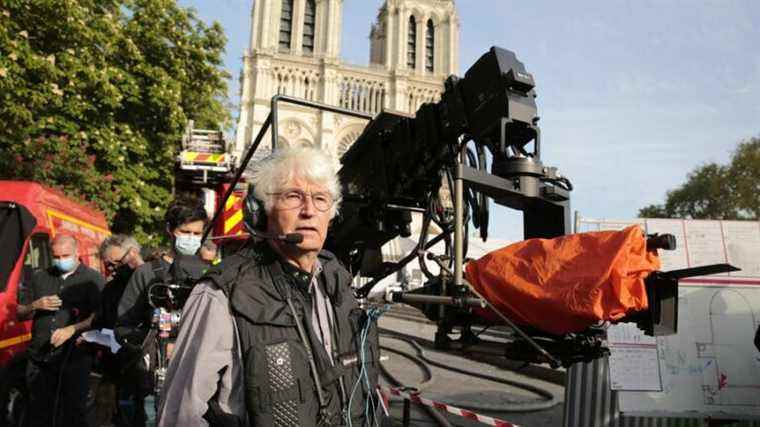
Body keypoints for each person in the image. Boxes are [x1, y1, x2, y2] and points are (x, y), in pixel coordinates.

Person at [158, 147, 385, 426]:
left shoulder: (338, 284)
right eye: (293, 196)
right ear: (260, 211)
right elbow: (179, 415)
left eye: (320, 199)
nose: (309, 211)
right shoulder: (220, 294)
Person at [16, 234, 104, 427]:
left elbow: (99, 317)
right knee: (38, 411)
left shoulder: (93, 279)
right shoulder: (40, 277)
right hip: (39, 357)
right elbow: (20, 313)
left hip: (75, 357)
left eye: (66, 255)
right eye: (57, 256)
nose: (61, 260)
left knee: (73, 412)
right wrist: (35, 305)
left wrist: (73, 328)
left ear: (77, 253)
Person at [115, 198, 208, 351]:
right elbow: (123, 327)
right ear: (169, 229)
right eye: (185, 232)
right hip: (158, 364)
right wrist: (153, 344)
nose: (191, 238)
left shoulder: (210, 273)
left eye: (197, 233)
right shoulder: (146, 273)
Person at [94, 234, 146, 427]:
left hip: (147, 366)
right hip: (119, 368)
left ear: (132, 253)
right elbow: (104, 324)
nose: (112, 269)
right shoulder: (111, 289)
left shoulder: (154, 278)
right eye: (108, 264)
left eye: (115, 263)